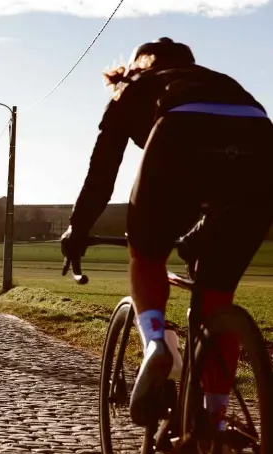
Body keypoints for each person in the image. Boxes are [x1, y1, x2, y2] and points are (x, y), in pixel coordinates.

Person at [61, 38, 273, 430]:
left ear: (141, 64)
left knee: (146, 255)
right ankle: (215, 422)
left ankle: (156, 343)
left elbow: (102, 171)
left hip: (181, 137)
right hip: (261, 144)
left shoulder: (134, 88)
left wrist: (79, 227)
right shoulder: (219, 81)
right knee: (217, 292)